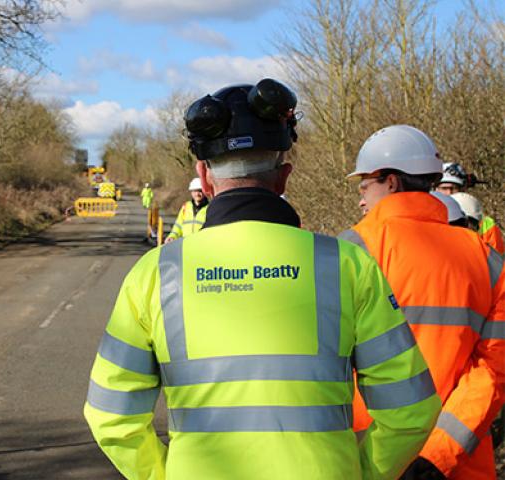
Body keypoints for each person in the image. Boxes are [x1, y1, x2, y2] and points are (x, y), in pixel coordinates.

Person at [84, 79, 440, 479]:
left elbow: (110, 417)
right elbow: (411, 411)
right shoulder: (347, 265)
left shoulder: (155, 274)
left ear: (204, 177)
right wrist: (360, 473)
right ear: (284, 176)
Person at [339, 125, 505, 480]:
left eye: (365, 185)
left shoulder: (348, 251)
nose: (360, 199)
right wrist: (438, 455)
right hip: (459, 465)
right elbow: (492, 373)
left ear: (391, 182)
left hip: (370, 460)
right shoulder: (488, 260)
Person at [435, 162, 504, 254]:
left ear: (463, 189)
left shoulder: (485, 225)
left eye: (454, 188)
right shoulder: (428, 219)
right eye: (444, 188)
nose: (449, 193)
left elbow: (496, 261)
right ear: (435, 189)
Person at [164, 177, 209, 243]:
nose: (197, 194)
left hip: (201, 245)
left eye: (200, 191)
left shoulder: (209, 208)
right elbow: (178, 225)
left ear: (204, 192)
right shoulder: (185, 207)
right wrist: (172, 236)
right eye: (195, 191)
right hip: (185, 245)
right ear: (191, 192)